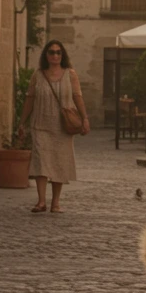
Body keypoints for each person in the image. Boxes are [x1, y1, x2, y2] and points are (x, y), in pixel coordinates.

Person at [19, 40, 89, 214]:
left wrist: (84, 118)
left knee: (59, 163)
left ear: (62, 55)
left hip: (62, 127)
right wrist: (22, 122)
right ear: (46, 55)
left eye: (58, 52)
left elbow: (77, 96)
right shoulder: (38, 75)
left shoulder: (70, 74)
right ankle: (41, 201)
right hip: (40, 124)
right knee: (41, 162)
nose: (55, 55)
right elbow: (30, 99)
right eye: (51, 52)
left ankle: (55, 203)